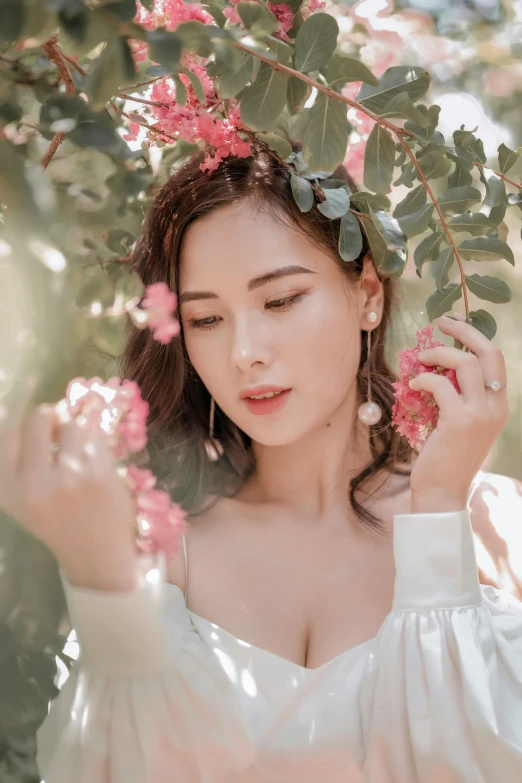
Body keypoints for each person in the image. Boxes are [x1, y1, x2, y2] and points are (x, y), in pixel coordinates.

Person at [1, 148, 521, 782]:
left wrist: (439, 514)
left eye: (280, 300)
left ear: (368, 298)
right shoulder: (160, 550)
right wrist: (103, 584)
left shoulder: (495, 525)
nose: (245, 353)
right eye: (207, 318)